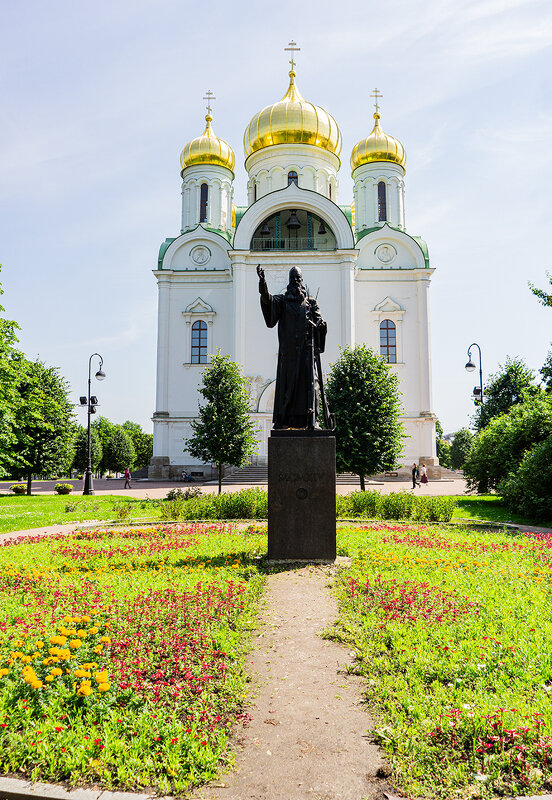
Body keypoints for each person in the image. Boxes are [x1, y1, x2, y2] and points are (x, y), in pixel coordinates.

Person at [257, 264, 327, 429]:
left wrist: (320, 326)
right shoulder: (282, 301)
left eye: (298, 278)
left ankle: (313, 421)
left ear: (302, 281)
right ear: (289, 281)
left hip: (306, 352)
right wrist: (262, 283)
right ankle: (283, 420)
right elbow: (268, 299)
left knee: (310, 386)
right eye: (293, 278)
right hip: (288, 355)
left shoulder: (310, 303)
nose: (295, 280)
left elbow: (319, 322)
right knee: (287, 388)